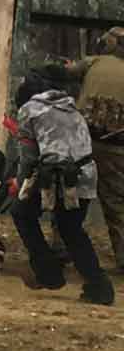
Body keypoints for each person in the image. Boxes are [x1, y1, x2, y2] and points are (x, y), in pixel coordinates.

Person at [0, 75, 114, 304]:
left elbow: (29, 159)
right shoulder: (70, 107)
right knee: (72, 229)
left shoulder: (29, 110)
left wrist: (19, 184)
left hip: (57, 177)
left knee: (21, 213)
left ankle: (48, 272)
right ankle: (99, 287)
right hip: (85, 175)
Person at [39, 26, 124, 273]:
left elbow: (61, 72)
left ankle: (60, 249)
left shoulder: (94, 61)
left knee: (69, 196)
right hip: (117, 148)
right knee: (117, 204)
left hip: (81, 143)